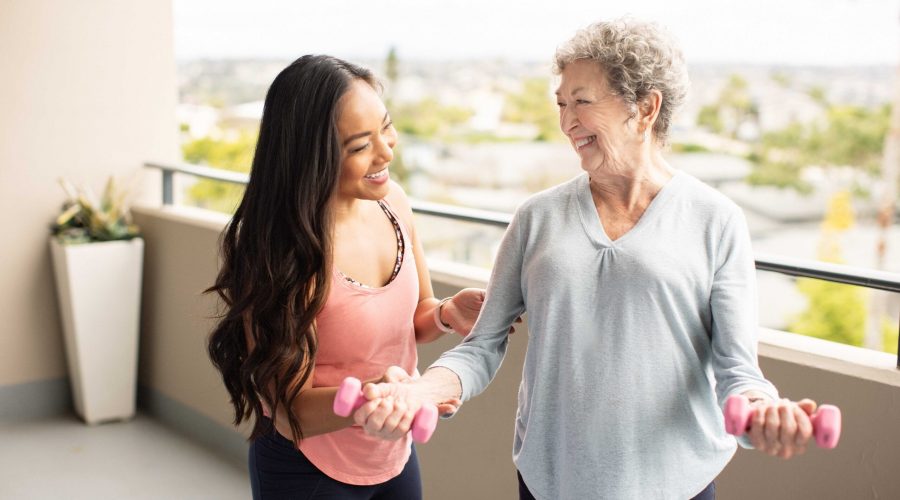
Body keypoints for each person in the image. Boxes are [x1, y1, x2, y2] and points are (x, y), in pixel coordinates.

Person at [354, 19, 820, 499]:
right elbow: (481, 346)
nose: (567, 120)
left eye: (583, 101)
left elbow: (737, 371)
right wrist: (422, 391)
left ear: (644, 108)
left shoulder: (716, 220)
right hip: (549, 484)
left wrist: (763, 411)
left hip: (676, 486)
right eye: (561, 103)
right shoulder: (536, 218)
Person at [205, 54, 489, 500]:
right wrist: (380, 398)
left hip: (391, 452)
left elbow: (414, 319)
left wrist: (449, 314)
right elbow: (289, 409)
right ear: (310, 156)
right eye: (359, 146)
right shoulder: (278, 249)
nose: (386, 151)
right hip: (307, 467)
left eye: (386, 127)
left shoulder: (393, 201)